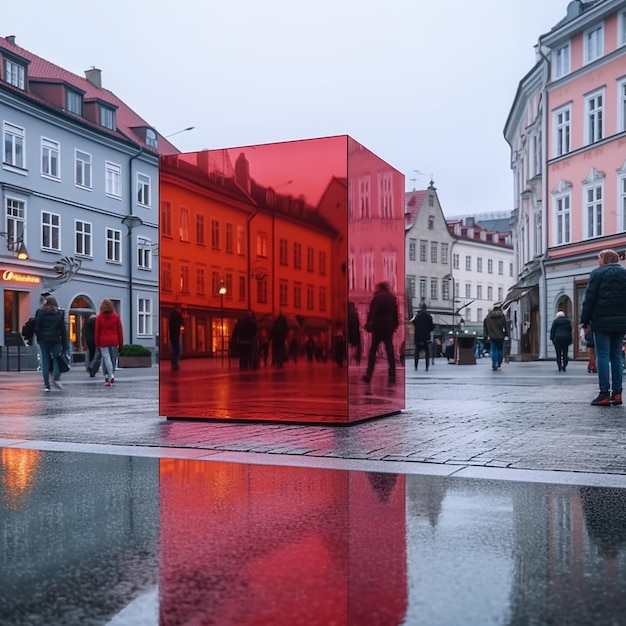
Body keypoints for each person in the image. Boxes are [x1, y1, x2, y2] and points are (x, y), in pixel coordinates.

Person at [581, 249, 626, 406]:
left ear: (604, 260)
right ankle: (618, 393)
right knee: (616, 356)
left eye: (599, 259)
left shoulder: (597, 274)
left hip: (601, 322)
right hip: (621, 323)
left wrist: (584, 321)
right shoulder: (624, 274)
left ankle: (604, 393)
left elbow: (589, 299)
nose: (597, 262)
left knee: (602, 356)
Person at [363, 281, 399, 384]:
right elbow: (395, 312)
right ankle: (392, 375)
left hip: (378, 326)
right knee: (390, 352)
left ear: (379, 288)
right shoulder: (392, 298)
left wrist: (369, 324)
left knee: (373, 351)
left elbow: (373, 312)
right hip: (388, 326)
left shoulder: (377, 297)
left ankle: (369, 375)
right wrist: (395, 324)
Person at [34, 295, 68, 392]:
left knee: (45, 361)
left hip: (43, 340)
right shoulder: (60, 313)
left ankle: (46, 385)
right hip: (56, 339)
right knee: (56, 359)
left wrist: (39, 337)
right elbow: (63, 329)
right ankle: (56, 379)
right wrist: (64, 344)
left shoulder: (40, 312)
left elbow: (37, 326)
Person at [95, 298, 124, 387]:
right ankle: (111, 375)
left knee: (106, 359)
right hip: (114, 341)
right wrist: (121, 344)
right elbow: (120, 331)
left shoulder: (99, 317)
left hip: (103, 341)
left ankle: (108, 377)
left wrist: (97, 343)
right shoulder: (116, 316)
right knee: (112, 359)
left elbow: (97, 331)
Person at [483, 302, 508, 371]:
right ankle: (499, 363)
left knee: (493, 350)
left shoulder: (488, 316)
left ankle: (494, 363)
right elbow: (505, 326)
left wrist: (487, 334)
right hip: (500, 335)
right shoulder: (502, 316)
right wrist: (506, 334)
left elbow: (485, 326)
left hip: (492, 335)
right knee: (500, 350)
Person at [410, 303, 434, 371]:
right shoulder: (429, 316)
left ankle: (416, 366)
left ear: (421, 308)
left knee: (417, 352)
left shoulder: (417, 315)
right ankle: (426, 367)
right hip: (426, 337)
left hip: (418, 337)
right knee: (427, 353)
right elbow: (431, 327)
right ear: (426, 308)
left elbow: (413, 322)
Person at [168, 306, 184, 371]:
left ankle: (173, 363)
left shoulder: (171, 316)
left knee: (175, 349)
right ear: (178, 309)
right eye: (180, 309)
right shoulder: (178, 316)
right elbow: (182, 322)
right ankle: (175, 364)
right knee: (178, 350)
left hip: (172, 335)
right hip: (176, 334)